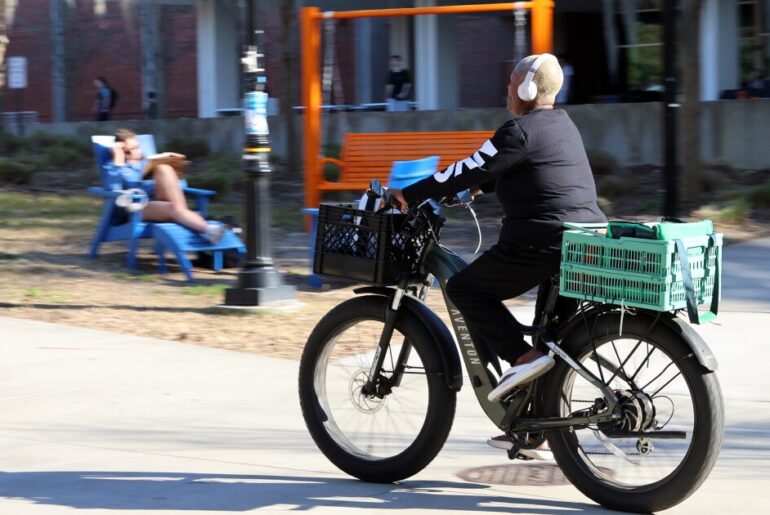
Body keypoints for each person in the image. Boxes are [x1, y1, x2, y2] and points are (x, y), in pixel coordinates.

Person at [387, 53, 607, 454]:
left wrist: (409, 193)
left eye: (511, 81)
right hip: (584, 240)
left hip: (542, 241)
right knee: (550, 338)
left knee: (465, 288)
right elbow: (527, 168)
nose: (506, 88)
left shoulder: (518, 131)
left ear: (525, 89)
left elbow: (466, 168)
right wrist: (481, 188)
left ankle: (521, 360)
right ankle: (534, 422)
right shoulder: (562, 124)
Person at [106, 128, 225, 243]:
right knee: (173, 208)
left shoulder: (148, 163)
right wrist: (118, 161)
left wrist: (176, 171)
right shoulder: (114, 167)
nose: (135, 152)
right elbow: (114, 191)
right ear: (121, 151)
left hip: (162, 201)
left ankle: (191, 220)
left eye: (137, 147)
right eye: (129, 150)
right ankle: (206, 228)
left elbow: (181, 186)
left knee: (164, 168)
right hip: (137, 207)